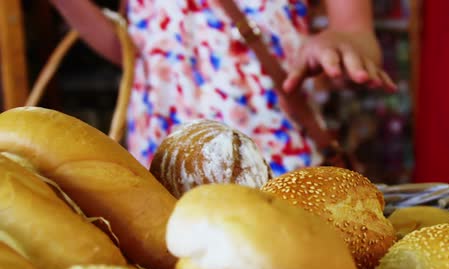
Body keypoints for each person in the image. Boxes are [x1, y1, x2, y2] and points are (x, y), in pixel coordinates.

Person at [48, 0, 396, 175]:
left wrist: (340, 45)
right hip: (157, 158)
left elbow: (355, 31)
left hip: (269, 158)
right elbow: (133, 52)